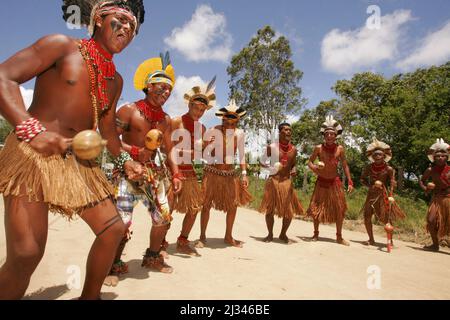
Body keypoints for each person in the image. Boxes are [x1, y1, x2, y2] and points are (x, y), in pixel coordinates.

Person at [0, 0, 145, 299]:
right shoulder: (61, 46)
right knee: (26, 254)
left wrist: (125, 159)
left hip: (77, 164)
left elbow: (106, 130)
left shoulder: (114, 80)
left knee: (113, 230)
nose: (128, 28)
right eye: (121, 19)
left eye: (133, 26)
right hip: (31, 154)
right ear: (99, 19)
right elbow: (4, 77)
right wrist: (32, 130)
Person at [110, 53, 183, 277]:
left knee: (163, 217)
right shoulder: (128, 110)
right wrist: (133, 153)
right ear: (148, 86)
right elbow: (109, 141)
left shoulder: (166, 120)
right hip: (127, 172)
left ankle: (152, 256)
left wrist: (176, 174)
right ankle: (112, 264)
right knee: (121, 222)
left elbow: (169, 149)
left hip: (154, 174)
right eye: (161, 87)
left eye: (169, 89)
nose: (166, 92)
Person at [168, 79, 216, 256]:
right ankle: (160, 243)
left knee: (194, 208)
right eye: (196, 108)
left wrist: (205, 146)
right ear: (189, 105)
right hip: (173, 172)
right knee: (168, 209)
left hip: (191, 174)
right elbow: (167, 148)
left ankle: (182, 240)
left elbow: (199, 153)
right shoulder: (175, 122)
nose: (199, 112)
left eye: (203, 110)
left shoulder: (202, 128)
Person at [196, 99, 252, 248]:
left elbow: (241, 155)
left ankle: (228, 236)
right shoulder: (212, 131)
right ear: (222, 119)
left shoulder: (239, 134)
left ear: (237, 122)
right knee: (206, 205)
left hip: (229, 175)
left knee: (233, 206)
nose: (230, 126)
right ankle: (202, 236)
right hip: (212, 173)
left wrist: (245, 173)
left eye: (233, 123)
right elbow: (203, 151)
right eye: (227, 122)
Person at [306, 115, 354, 246]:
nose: (329, 136)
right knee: (316, 208)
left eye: (332, 134)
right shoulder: (318, 148)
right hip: (321, 182)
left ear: (336, 135)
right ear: (324, 135)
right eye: (327, 134)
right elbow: (309, 161)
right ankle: (315, 234)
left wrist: (350, 181)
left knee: (339, 209)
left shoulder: (340, 149)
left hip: (335, 182)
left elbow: (345, 165)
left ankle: (339, 237)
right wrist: (315, 168)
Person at [259, 123, 304, 243]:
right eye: (286, 130)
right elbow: (262, 161)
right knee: (270, 210)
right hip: (273, 181)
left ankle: (283, 234)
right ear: (280, 132)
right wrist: (270, 167)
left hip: (286, 182)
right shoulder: (272, 147)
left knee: (288, 212)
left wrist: (293, 170)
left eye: (290, 130)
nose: (288, 132)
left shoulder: (294, 150)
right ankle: (270, 234)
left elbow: (293, 164)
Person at [360, 138, 406, 246]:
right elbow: (362, 179)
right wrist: (370, 186)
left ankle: (390, 240)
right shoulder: (369, 167)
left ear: (384, 156)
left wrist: (391, 194)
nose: (377, 156)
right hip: (371, 195)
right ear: (372, 156)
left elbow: (392, 182)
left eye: (379, 154)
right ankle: (371, 239)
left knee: (386, 218)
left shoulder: (389, 169)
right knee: (366, 216)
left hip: (383, 195)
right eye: (375, 154)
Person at [419, 138, 450, 252]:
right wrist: (426, 188)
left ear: (447, 157)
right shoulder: (430, 170)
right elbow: (422, 181)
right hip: (436, 199)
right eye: (437, 156)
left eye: (443, 155)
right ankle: (435, 245)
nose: (440, 158)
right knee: (431, 221)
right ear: (433, 158)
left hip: (449, 199)